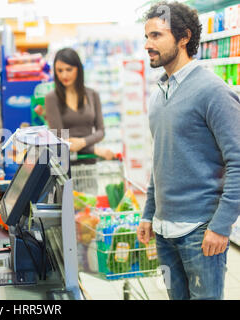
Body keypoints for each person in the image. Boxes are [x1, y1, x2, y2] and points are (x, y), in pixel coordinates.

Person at [137, 1, 240, 300]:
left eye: (156, 36)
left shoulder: (213, 91)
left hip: (200, 230)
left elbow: (237, 162)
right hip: (164, 230)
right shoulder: (159, 94)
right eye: (147, 37)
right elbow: (162, 160)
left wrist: (221, 227)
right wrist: (148, 214)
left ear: (183, 37)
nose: (147, 45)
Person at [45, 47, 114, 164]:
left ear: (78, 69)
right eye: (59, 70)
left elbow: (101, 131)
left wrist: (83, 142)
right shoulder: (52, 98)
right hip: (66, 165)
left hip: (89, 165)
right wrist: (94, 149)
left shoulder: (92, 94)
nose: (64, 75)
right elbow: (61, 138)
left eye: (69, 69)